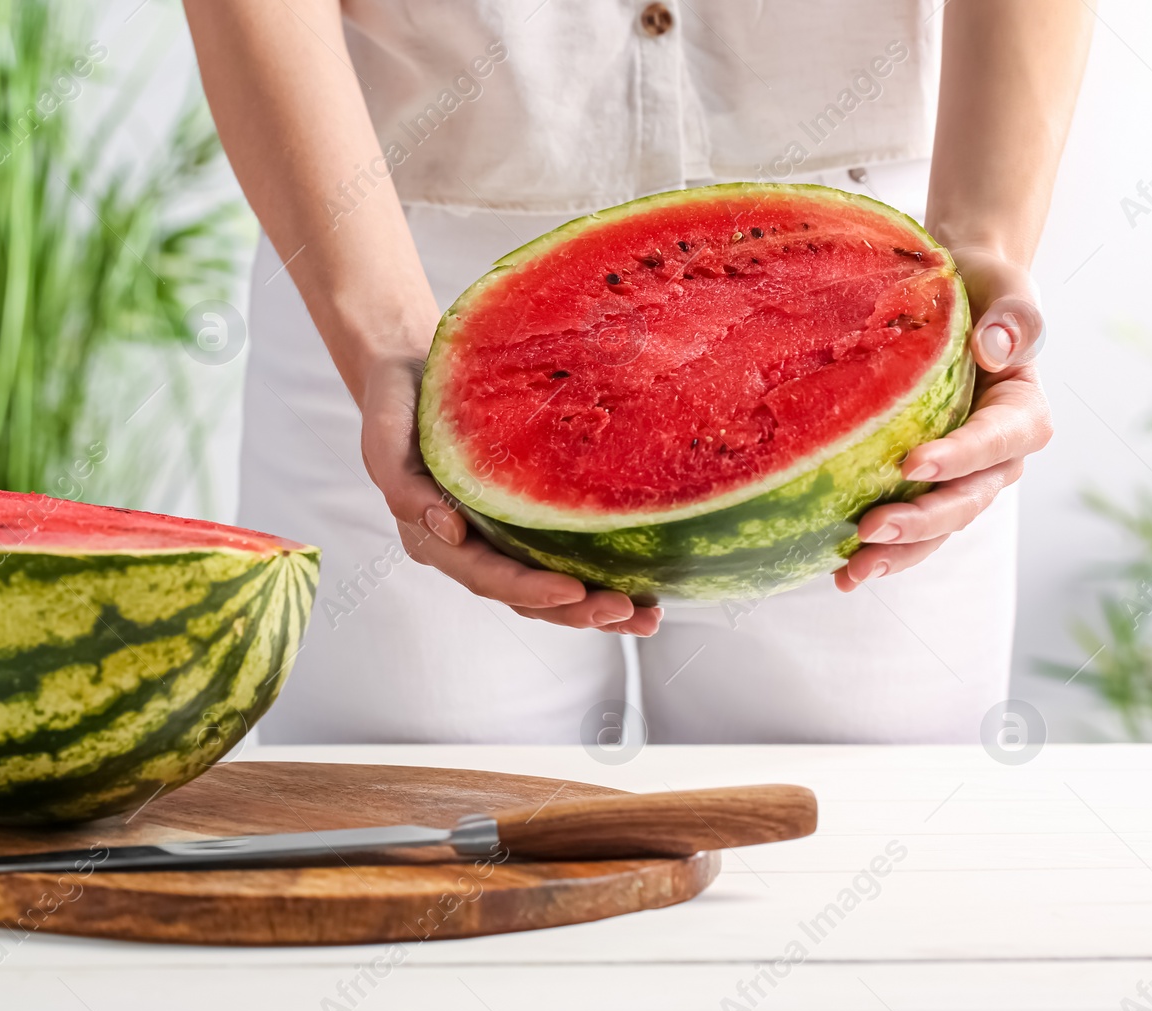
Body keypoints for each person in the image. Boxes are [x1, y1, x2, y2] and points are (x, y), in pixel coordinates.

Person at [185, 0, 1092, 743]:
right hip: (388, 269)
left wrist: (980, 243)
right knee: (417, 865)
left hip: (857, 282)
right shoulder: (387, 322)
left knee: (842, 869)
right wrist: (378, 325)